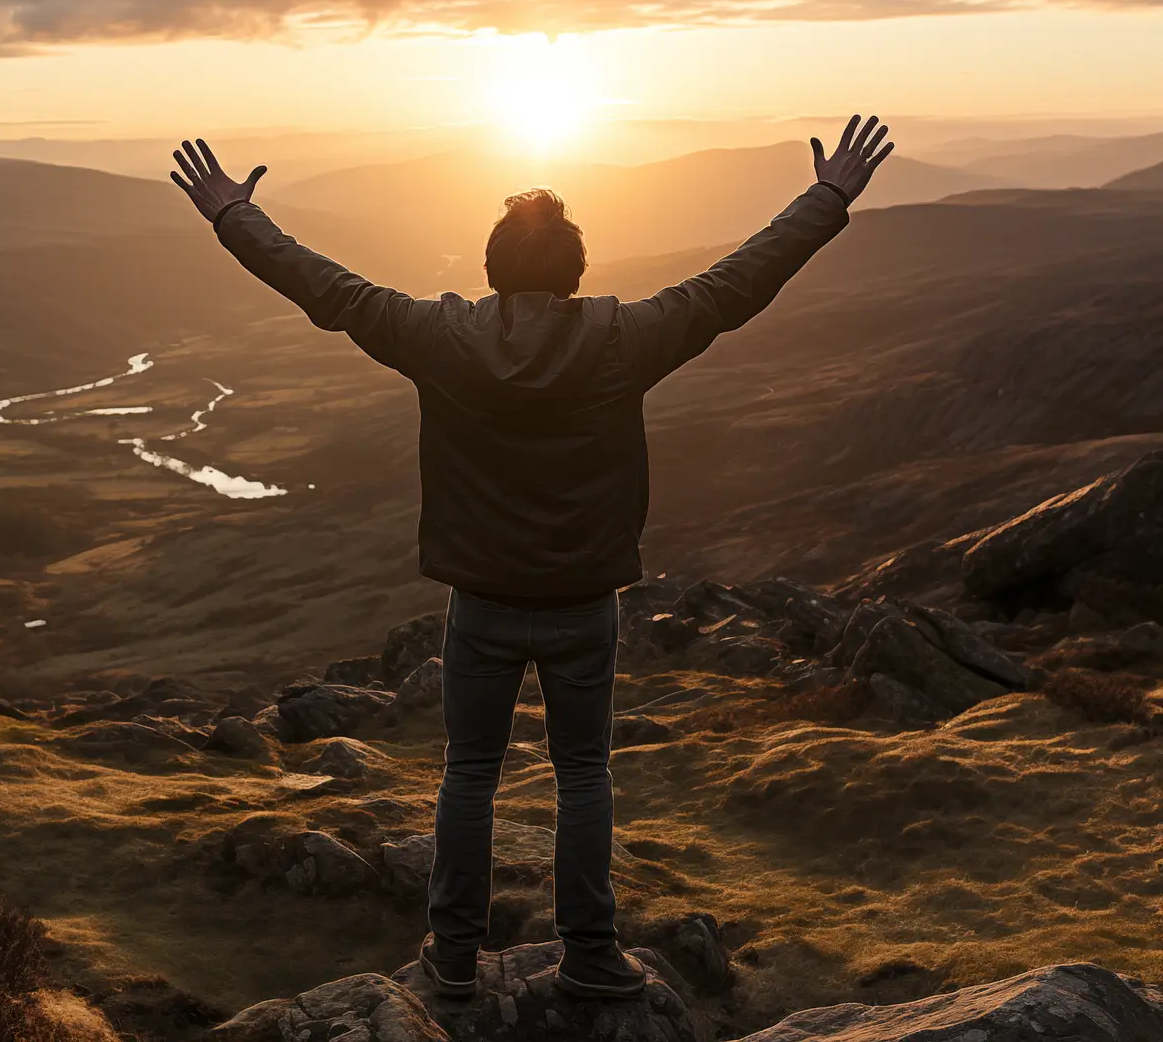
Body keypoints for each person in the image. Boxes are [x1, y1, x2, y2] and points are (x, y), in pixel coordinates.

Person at [169, 115, 894, 1000]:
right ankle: (591, 954)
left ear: (490, 273)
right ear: (576, 275)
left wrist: (232, 216)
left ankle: (454, 958)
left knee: (469, 773)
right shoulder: (625, 337)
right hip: (585, 600)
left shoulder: (439, 337)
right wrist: (828, 196)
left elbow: (328, 289)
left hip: (481, 600)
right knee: (584, 771)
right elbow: (738, 283)